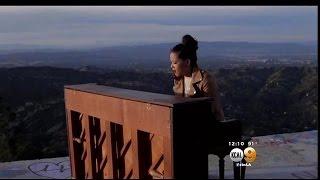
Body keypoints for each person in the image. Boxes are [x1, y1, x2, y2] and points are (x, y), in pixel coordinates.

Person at [170, 34, 224, 121]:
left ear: (187, 62)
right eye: (171, 63)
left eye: (175, 63)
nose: (171, 66)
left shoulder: (205, 80)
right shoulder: (178, 80)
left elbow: (212, 110)